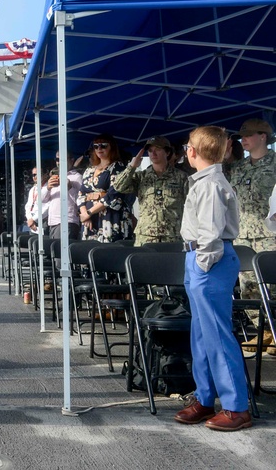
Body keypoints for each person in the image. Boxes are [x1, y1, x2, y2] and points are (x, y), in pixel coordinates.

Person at [173, 125, 252, 431]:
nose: (186, 150)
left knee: (216, 334)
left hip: (209, 261)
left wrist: (202, 264)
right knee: (202, 335)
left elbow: (211, 233)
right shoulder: (205, 182)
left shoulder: (210, 185)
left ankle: (236, 407)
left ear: (192, 151)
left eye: (187, 146)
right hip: (200, 259)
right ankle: (205, 398)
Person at [227, 119, 276, 331]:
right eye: (242, 136)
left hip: (270, 235)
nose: (243, 139)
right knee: (248, 288)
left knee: (272, 286)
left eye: (248, 135)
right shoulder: (238, 168)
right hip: (243, 236)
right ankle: (264, 331)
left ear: (263, 136)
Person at [112, 136, 188, 246]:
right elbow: (118, 186)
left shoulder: (181, 177)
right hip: (145, 236)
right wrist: (132, 166)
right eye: (150, 151)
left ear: (167, 152)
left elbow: (191, 205)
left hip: (172, 236)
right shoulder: (141, 177)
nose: (153, 153)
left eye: (157, 149)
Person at [77, 135, 131, 243]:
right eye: (96, 146)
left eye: (103, 146)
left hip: (111, 218)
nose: (99, 149)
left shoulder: (118, 168)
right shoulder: (89, 170)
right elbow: (81, 194)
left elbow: (113, 196)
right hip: (90, 220)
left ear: (112, 147)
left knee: (109, 252)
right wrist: (84, 214)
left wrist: (89, 212)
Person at [40, 151, 83, 240]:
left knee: (62, 252)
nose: (59, 162)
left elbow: (81, 201)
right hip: (52, 222)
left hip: (67, 221)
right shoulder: (55, 176)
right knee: (54, 252)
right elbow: (42, 200)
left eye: (63, 159)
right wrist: (47, 188)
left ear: (71, 160)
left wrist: (70, 188)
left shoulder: (77, 177)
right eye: (57, 159)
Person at [24, 167, 45, 234]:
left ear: (43, 175)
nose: (35, 177)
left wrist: (33, 219)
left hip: (43, 220)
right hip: (32, 222)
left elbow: (47, 207)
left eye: (37, 174)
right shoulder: (32, 189)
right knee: (33, 242)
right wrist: (30, 220)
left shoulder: (46, 188)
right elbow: (28, 206)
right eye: (33, 175)